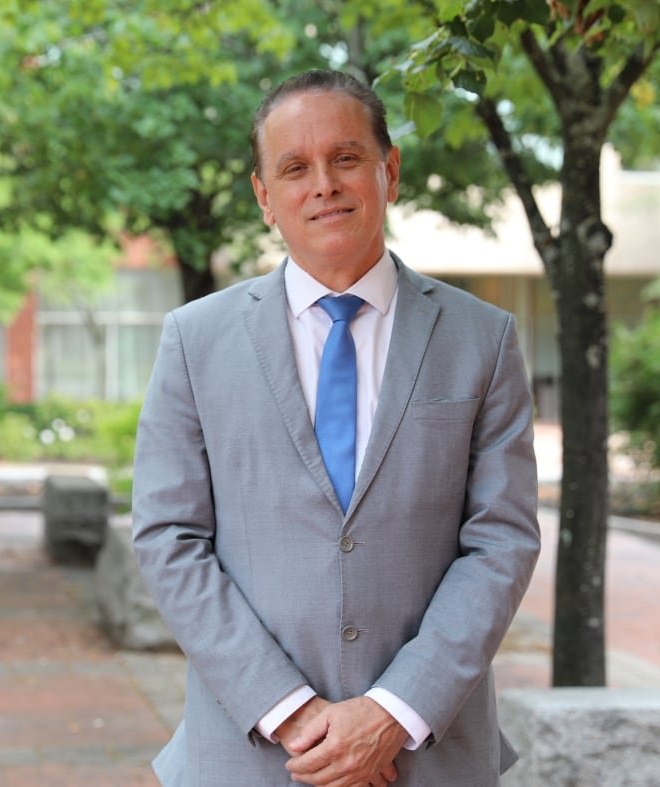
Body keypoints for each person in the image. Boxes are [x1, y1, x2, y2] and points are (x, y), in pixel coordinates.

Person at [131, 68, 540, 786]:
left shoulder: (484, 338)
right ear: (265, 196)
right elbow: (169, 536)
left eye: (346, 158)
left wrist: (392, 711)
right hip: (253, 755)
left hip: (428, 754)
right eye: (294, 167)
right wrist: (291, 712)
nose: (323, 184)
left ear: (390, 171)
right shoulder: (195, 340)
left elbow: (500, 540)